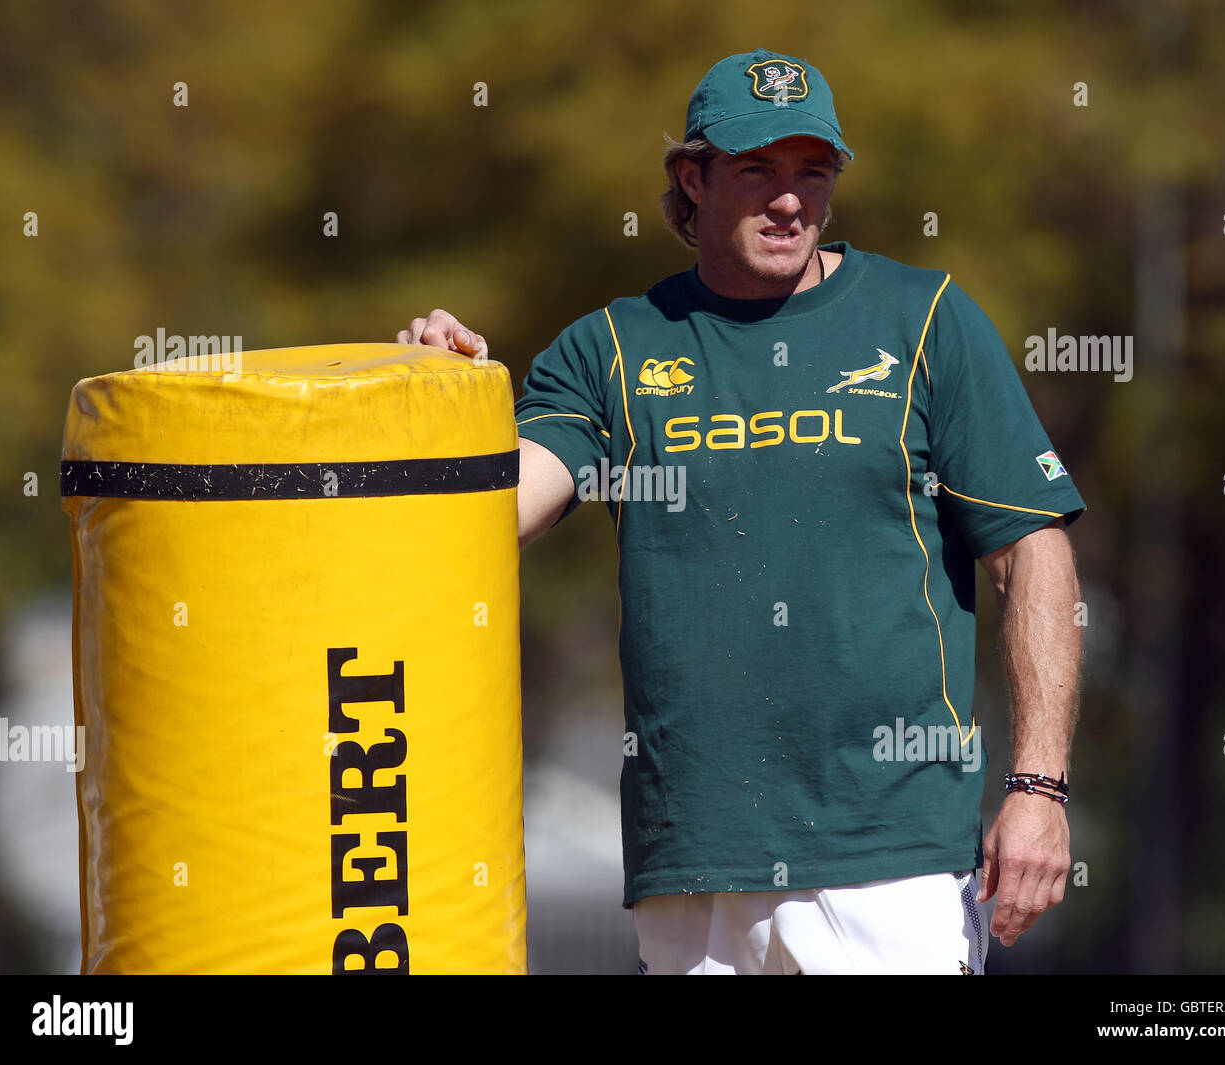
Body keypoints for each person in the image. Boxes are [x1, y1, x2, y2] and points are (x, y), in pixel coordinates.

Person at [397, 48, 1085, 975]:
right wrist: (439, 400)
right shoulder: (611, 346)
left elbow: (1031, 548)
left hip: (891, 859)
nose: (790, 200)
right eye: (757, 170)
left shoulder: (925, 320)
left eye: (814, 172)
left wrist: (1038, 785)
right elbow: (495, 511)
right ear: (693, 178)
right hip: (692, 864)